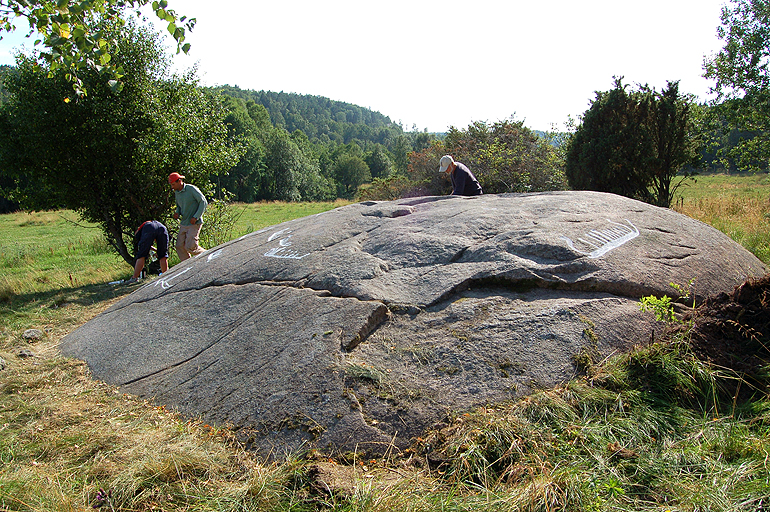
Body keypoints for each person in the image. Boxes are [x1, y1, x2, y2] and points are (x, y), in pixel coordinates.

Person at [169, 172, 208, 261]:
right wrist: (177, 212)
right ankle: (187, 265)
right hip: (184, 223)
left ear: (179, 181)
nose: (172, 187)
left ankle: (209, 255)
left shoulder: (191, 189)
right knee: (179, 246)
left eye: (173, 184)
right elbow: (178, 206)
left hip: (194, 222)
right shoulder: (176, 193)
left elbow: (203, 202)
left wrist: (196, 217)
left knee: (190, 247)